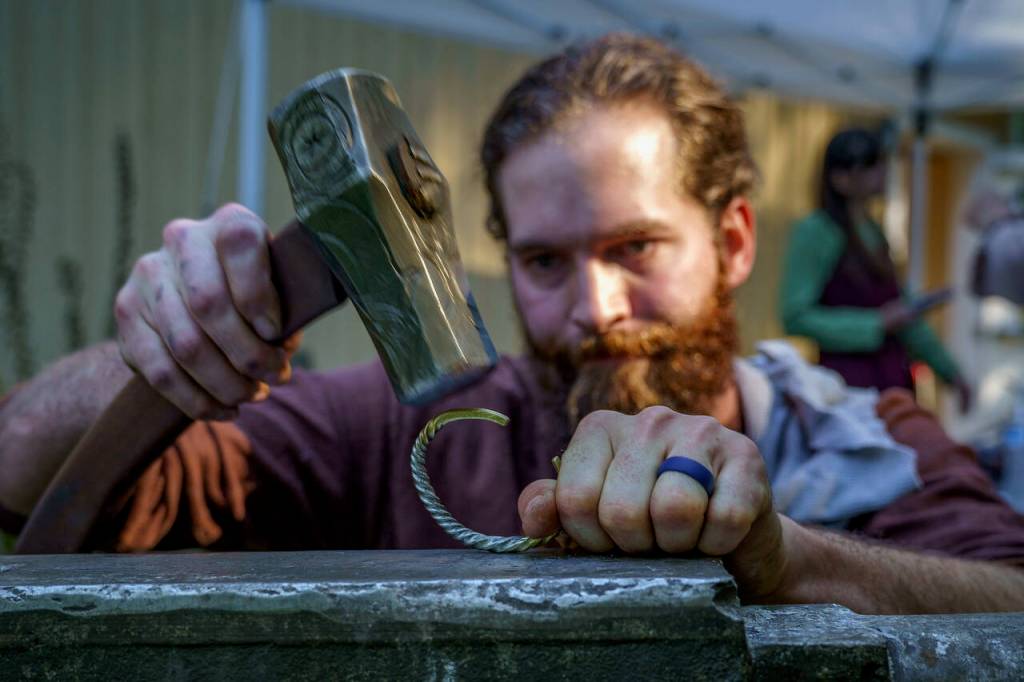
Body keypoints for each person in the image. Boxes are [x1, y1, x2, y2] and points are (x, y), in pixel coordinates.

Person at [3, 34, 1024, 614]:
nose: (593, 307)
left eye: (635, 246)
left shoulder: (858, 440)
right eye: (543, 260)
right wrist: (165, 350)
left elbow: (1007, 599)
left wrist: (791, 559)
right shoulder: (403, 428)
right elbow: (23, 475)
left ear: (735, 240)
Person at [780, 128, 970, 406]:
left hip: (892, 385)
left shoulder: (872, 231)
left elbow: (904, 316)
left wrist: (950, 372)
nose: (883, 172)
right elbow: (796, 316)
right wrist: (875, 324)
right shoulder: (817, 232)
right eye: (872, 165)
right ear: (841, 178)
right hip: (847, 390)